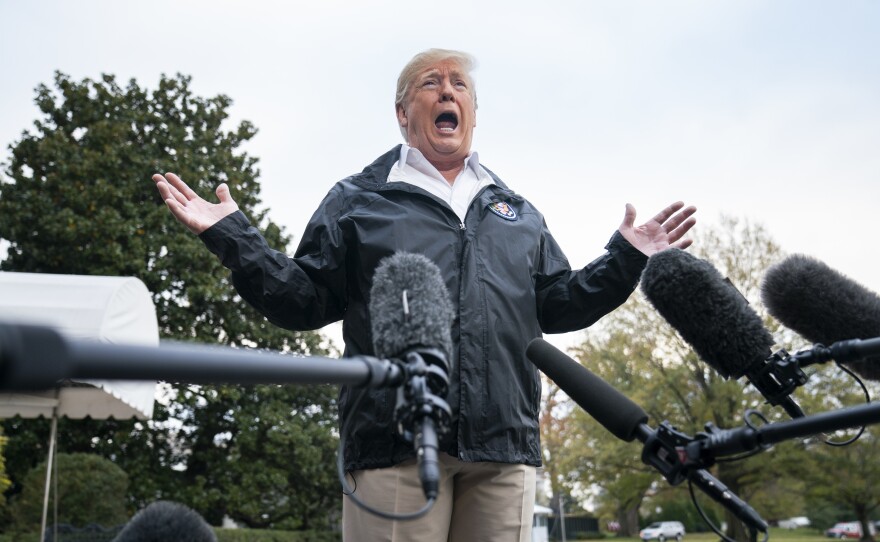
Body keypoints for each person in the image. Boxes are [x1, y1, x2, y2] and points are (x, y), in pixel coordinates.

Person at [152, 48, 696, 542]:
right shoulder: (358, 199)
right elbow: (303, 299)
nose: (447, 91)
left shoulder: (517, 211)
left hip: (503, 447)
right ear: (402, 112)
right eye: (430, 83)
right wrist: (234, 238)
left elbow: (558, 305)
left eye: (459, 85)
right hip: (394, 441)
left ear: (474, 113)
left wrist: (626, 256)